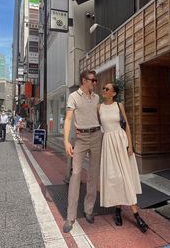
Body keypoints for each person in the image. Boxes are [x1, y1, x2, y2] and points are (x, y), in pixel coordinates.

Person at [98, 83, 148, 233]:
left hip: (121, 142)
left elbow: (126, 126)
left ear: (113, 93)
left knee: (125, 177)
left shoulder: (119, 105)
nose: (104, 90)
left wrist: (131, 145)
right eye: (104, 88)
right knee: (115, 178)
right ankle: (118, 210)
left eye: (107, 89)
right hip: (108, 143)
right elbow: (95, 126)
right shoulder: (98, 107)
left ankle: (137, 216)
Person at [63, 70, 102, 233]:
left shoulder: (97, 97)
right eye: (92, 80)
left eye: (95, 81)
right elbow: (68, 119)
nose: (94, 83)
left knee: (93, 175)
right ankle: (70, 217)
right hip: (81, 138)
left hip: (96, 136)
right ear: (84, 80)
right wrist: (66, 141)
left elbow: (100, 116)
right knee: (76, 174)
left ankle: (88, 210)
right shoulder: (73, 96)